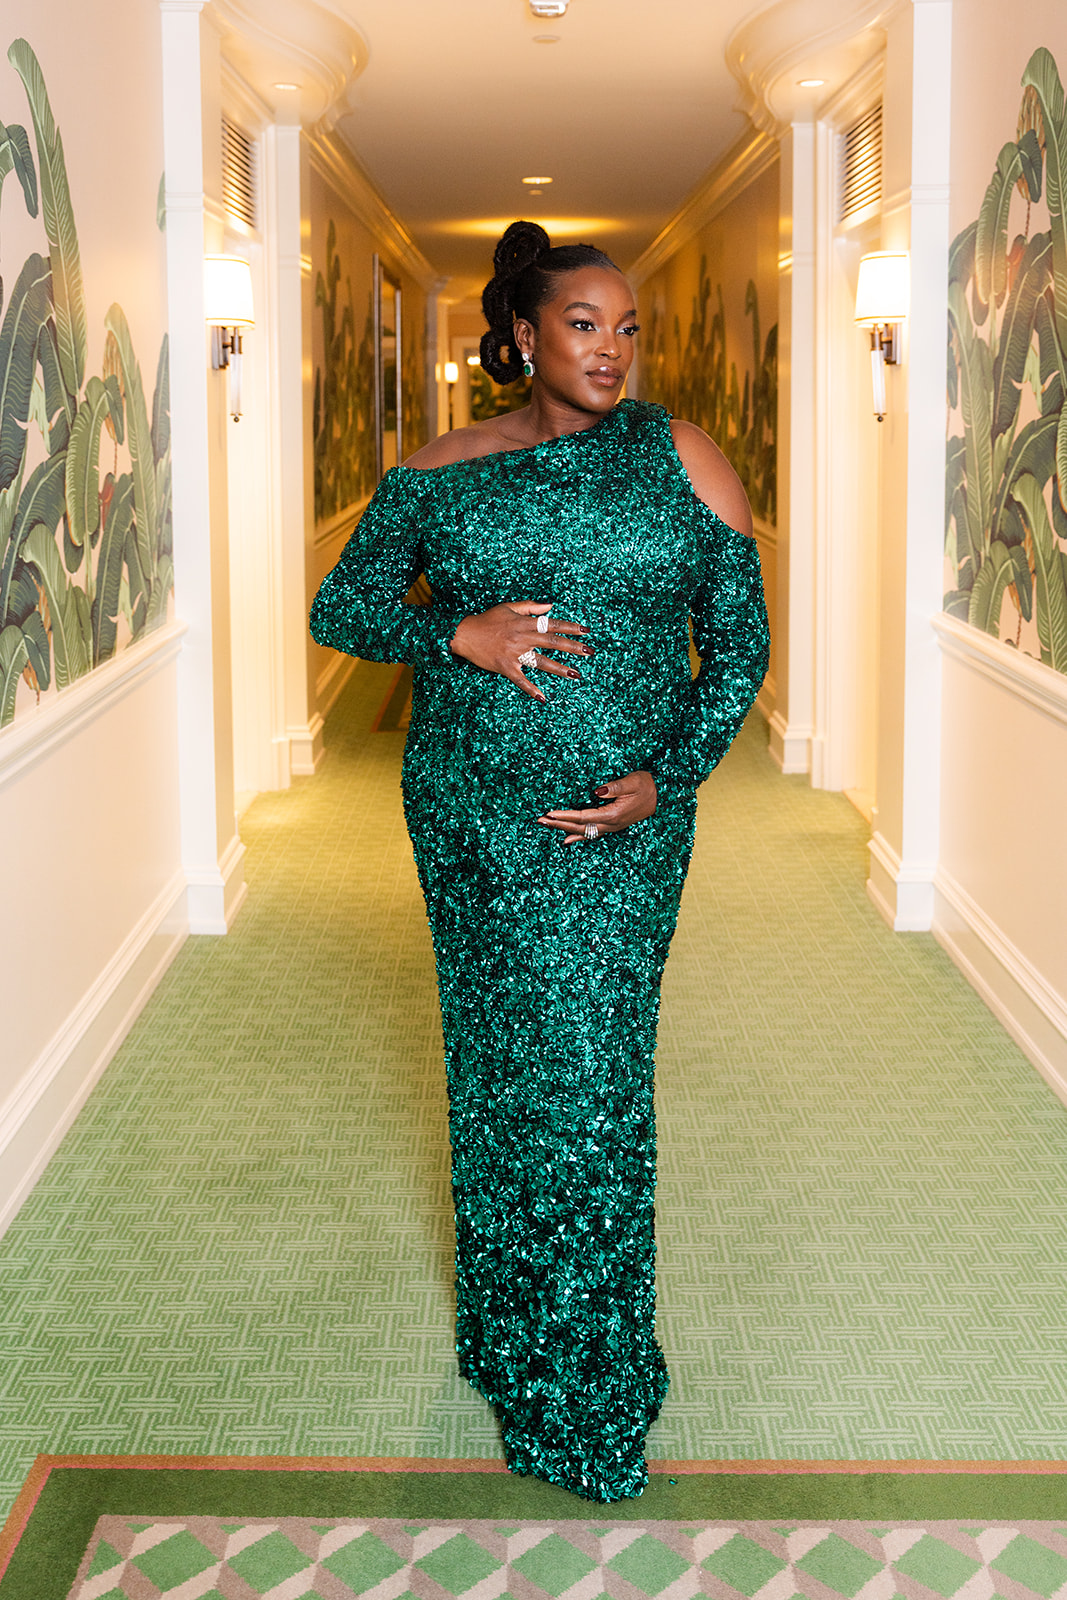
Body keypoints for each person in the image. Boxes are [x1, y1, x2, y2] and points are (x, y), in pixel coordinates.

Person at [310, 220, 769, 1502]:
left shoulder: (686, 460)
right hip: (467, 815)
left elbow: (736, 649)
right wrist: (454, 629)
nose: (610, 348)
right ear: (522, 337)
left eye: (626, 326)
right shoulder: (441, 470)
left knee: (593, 1084)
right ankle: (512, 1337)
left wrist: (665, 779)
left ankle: (593, 1389)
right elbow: (338, 607)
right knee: (500, 1062)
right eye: (582, 324)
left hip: (621, 836)